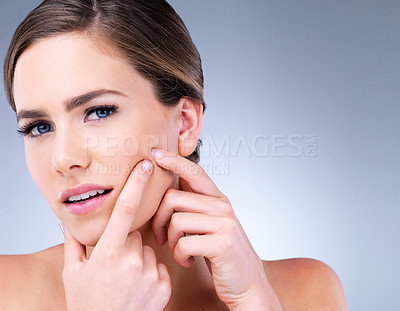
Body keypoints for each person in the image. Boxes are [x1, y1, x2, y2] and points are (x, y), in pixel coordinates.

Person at [1, 0, 348, 310]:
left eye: (100, 111)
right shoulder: (8, 292)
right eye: (39, 128)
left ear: (184, 124)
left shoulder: (305, 292)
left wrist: (255, 302)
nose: (62, 159)